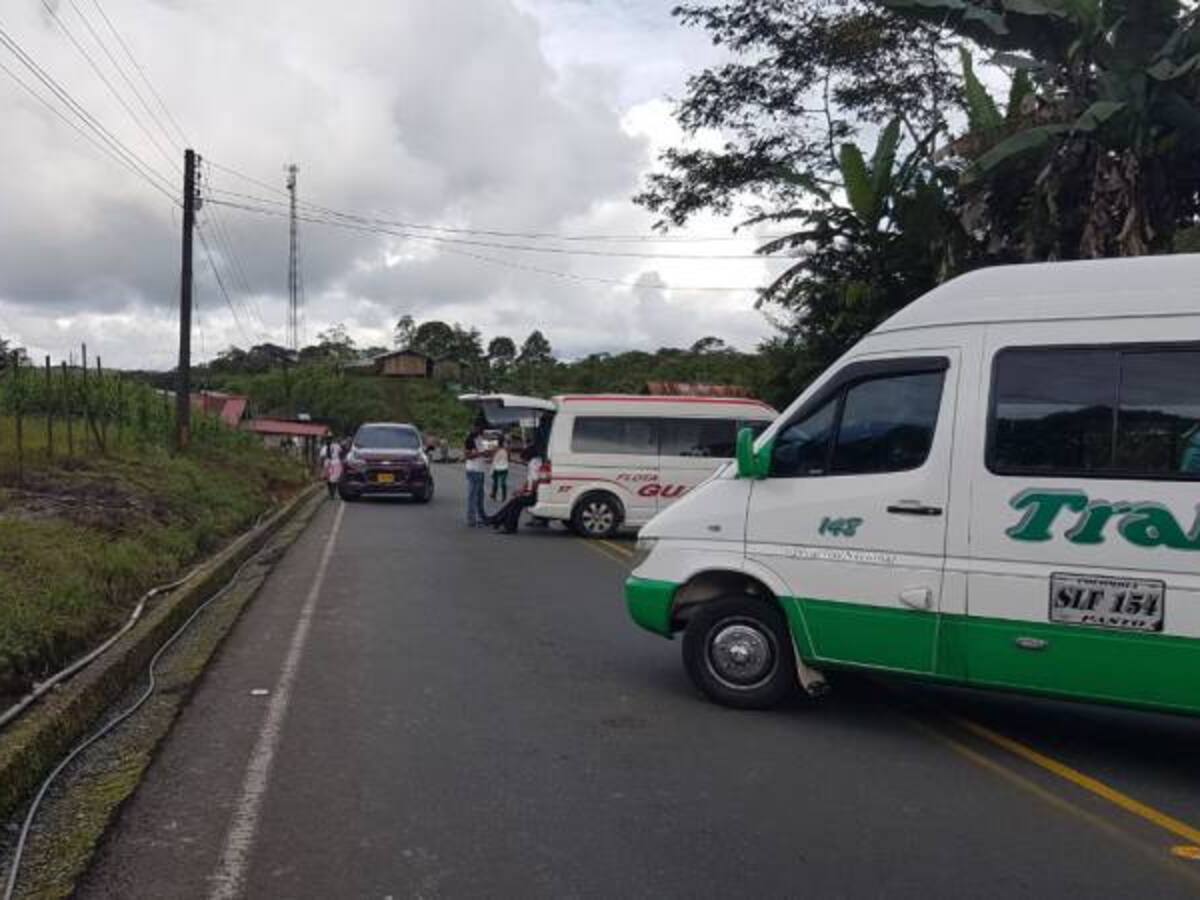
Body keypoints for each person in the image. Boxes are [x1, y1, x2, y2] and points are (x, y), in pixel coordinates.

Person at [486, 445, 543, 534]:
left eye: (523, 459)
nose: (523, 461)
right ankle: (498, 520)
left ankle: (506, 525)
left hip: (535, 494)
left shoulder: (533, 464)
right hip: (537, 492)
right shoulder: (537, 461)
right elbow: (529, 480)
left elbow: (535, 481)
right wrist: (521, 490)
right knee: (514, 501)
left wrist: (528, 492)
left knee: (516, 503)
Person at [464, 421, 488, 526]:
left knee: (480, 496)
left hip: (480, 470)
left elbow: (482, 454)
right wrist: (482, 453)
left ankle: (481, 516)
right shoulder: (469, 440)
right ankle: (471, 518)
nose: (479, 430)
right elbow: (468, 456)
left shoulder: (480, 439)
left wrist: (488, 454)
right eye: (477, 428)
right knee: (473, 495)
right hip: (473, 470)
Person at [490, 435, 509, 502]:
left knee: (495, 483)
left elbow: (493, 459)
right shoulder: (506, 449)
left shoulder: (496, 449)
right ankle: (503, 497)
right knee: (503, 483)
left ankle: (494, 495)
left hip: (497, 468)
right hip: (504, 468)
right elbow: (508, 458)